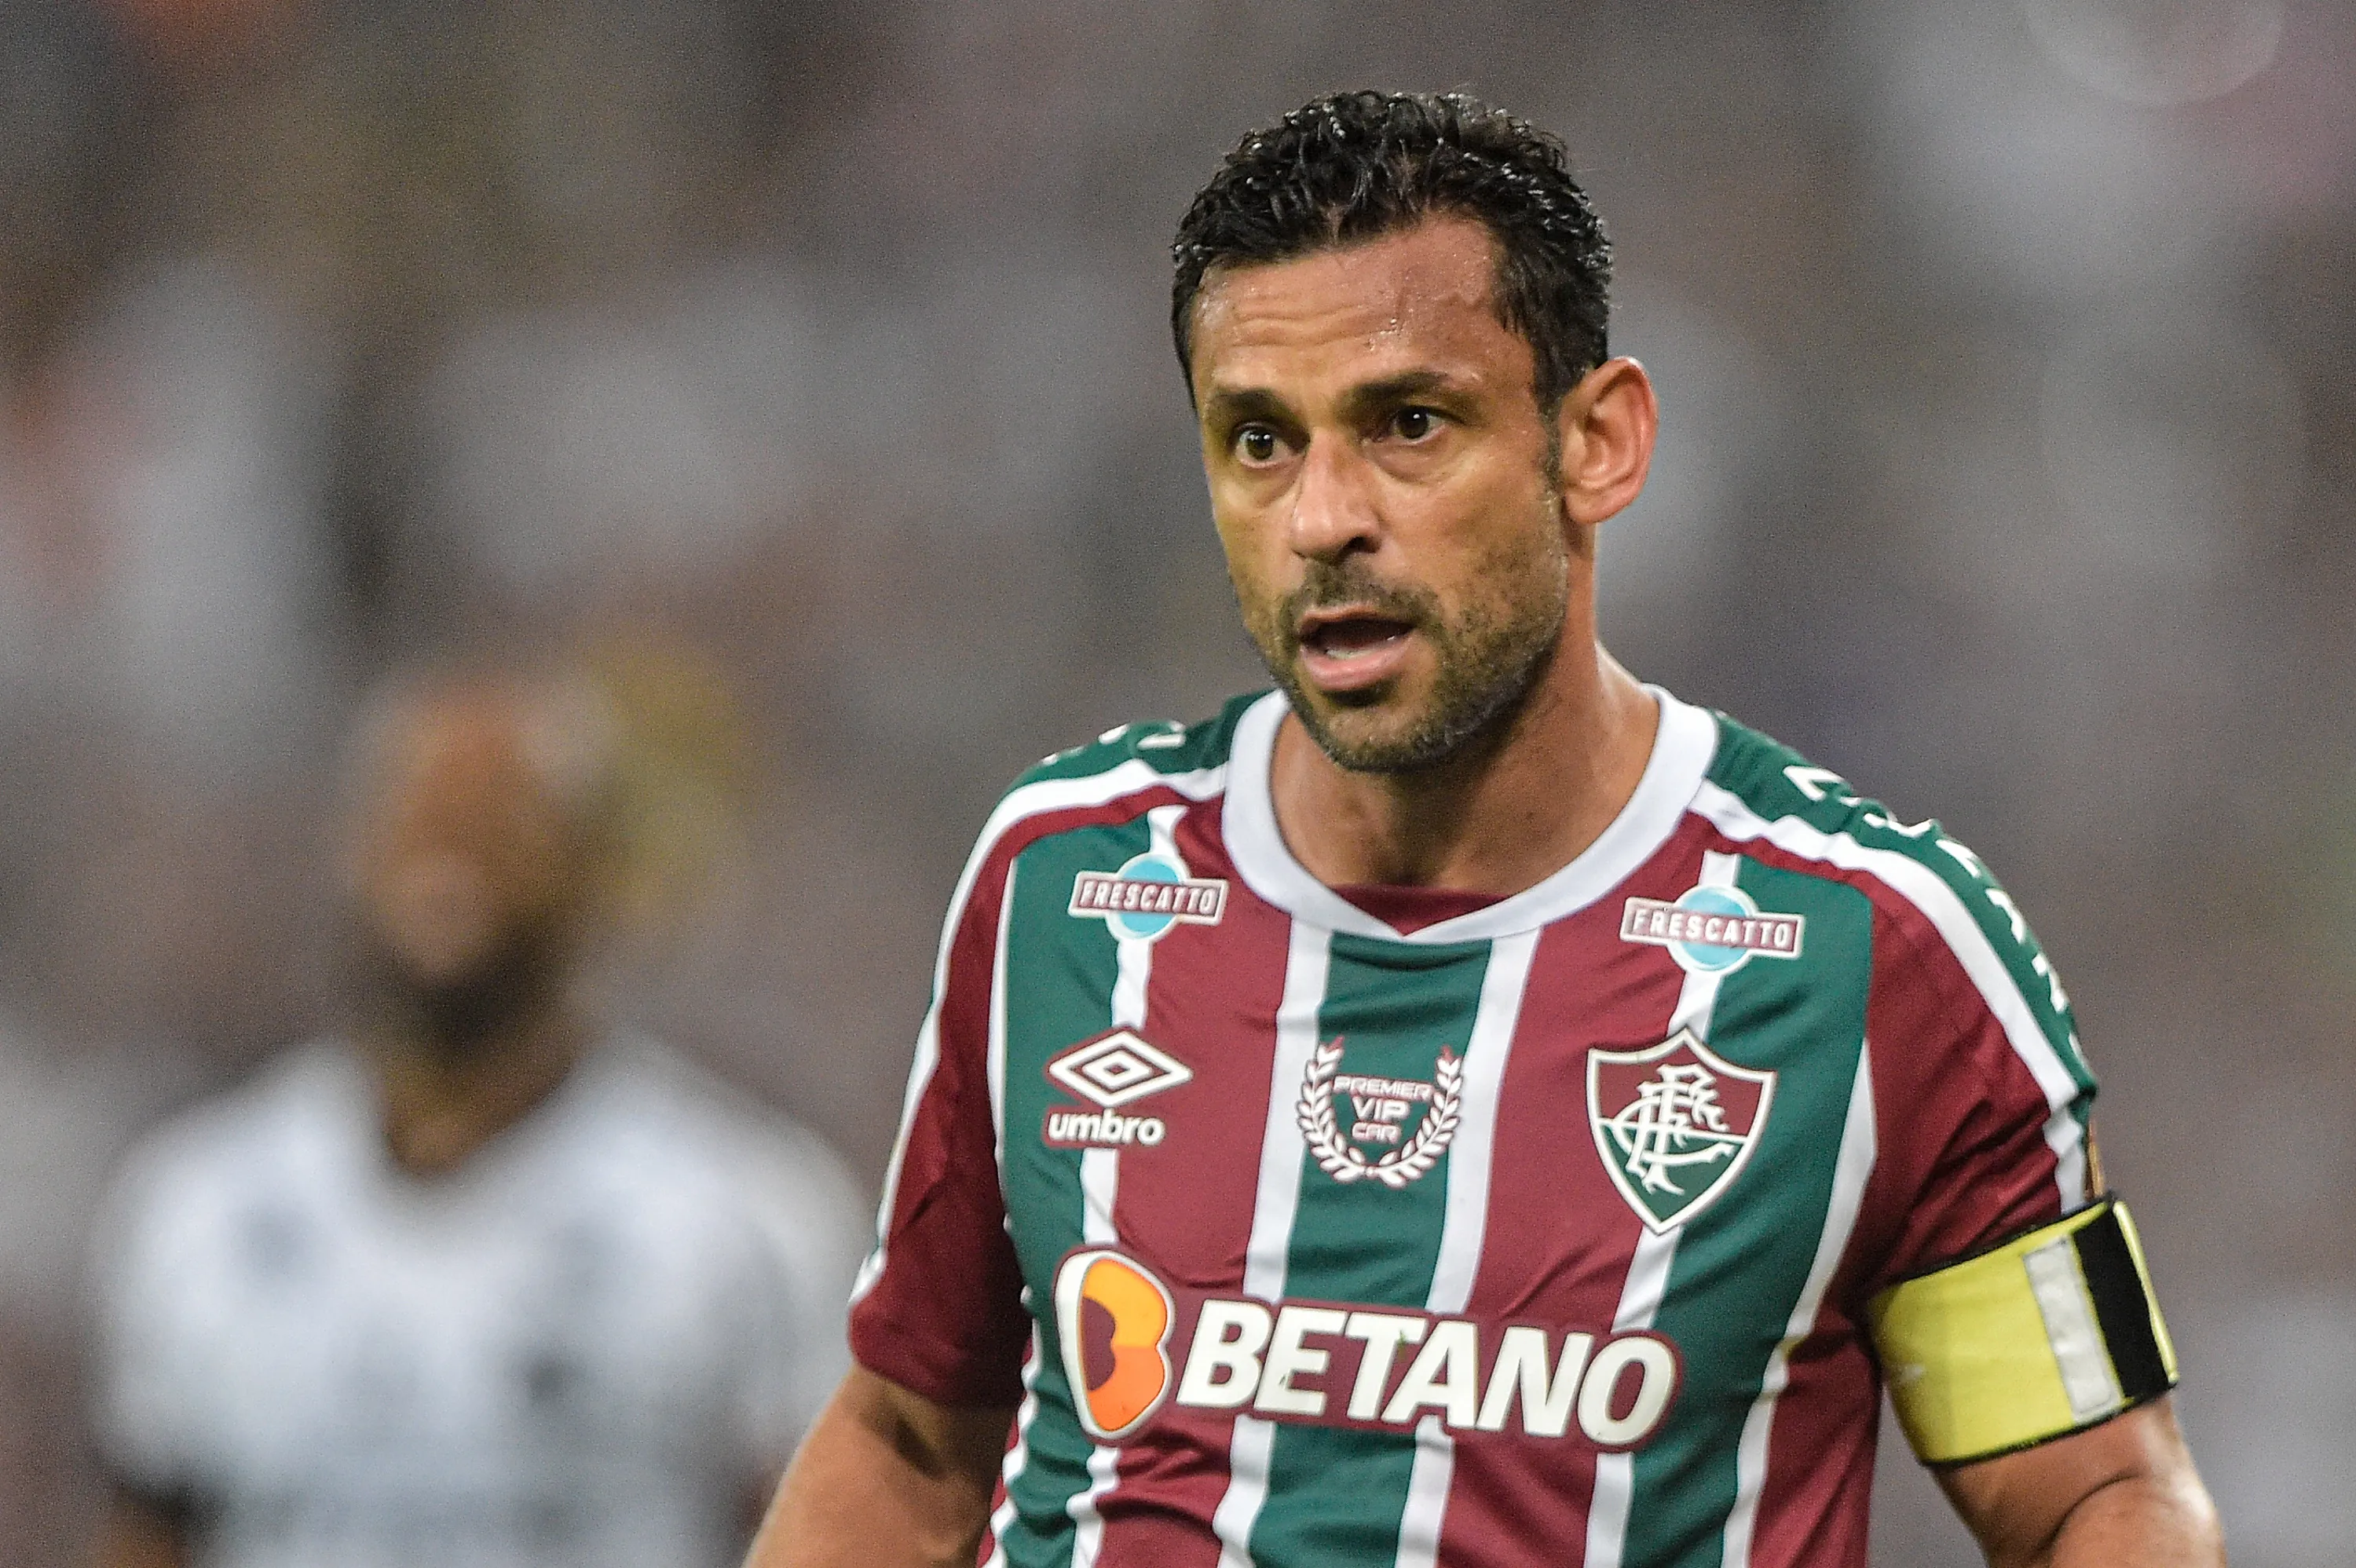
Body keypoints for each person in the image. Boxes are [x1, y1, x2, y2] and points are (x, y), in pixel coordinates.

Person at [751, 92, 2222, 1568]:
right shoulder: (1067, 882)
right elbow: (909, 1435)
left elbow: (2097, 1491)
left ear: (1598, 444)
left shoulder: (1874, 949)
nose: (1323, 516)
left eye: (1408, 424)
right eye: (1259, 441)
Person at [92, 666, 867, 1568]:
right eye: (417, 814)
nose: (449, 854)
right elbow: (149, 1533)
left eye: (500, 822)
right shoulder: (194, 1207)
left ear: (591, 871)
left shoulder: (745, 1215)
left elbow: (839, 1535)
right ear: (352, 854)